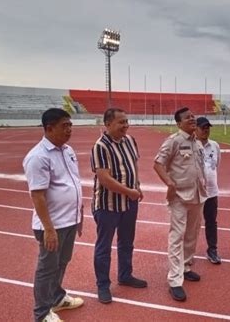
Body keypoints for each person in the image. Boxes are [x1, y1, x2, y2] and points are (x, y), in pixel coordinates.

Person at [23, 108, 84, 322]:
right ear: (49, 128)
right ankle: (41, 314)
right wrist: (48, 229)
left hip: (69, 220)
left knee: (62, 262)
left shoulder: (67, 151)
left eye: (70, 125)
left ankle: (57, 298)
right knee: (47, 269)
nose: (69, 130)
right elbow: (38, 196)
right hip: (52, 225)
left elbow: (73, 183)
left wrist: (79, 214)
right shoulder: (38, 157)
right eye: (64, 126)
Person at [90, 108, 147, 304]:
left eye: (126, 121)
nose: (125, 125)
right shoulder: (101, 146)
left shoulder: (130, 140)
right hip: (108, 205)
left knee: (127, 242)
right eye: (121, 122)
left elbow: (134, 165)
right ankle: (103, 285)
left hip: (129, 203)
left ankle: (125, 275)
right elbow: (104, 179)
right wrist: (129, 191)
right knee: (104, 246)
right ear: (107, 125)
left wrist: (137, 185)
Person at [153, 107, 208, 302]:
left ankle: (185, 266)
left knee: (192, 234)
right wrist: (169, 183)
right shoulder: (174, 141)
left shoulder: (197, 143)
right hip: (179, 197)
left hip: (198, 195)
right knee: (177, 236)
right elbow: (158, 163)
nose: (192, 119)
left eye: (193, 117)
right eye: (188, 118)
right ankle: (175, 281)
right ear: (178, 123)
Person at [195, 116, 222, 264]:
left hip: (212, 192)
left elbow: (216, 165)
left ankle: (212, 250)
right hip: (195, 192)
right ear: (196, 129)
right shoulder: (192, 145)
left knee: (211, 221)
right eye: (203, 127)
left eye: (208, 127)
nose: (206, 130)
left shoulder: (215, 146)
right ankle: (187, 253)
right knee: (192, 223)